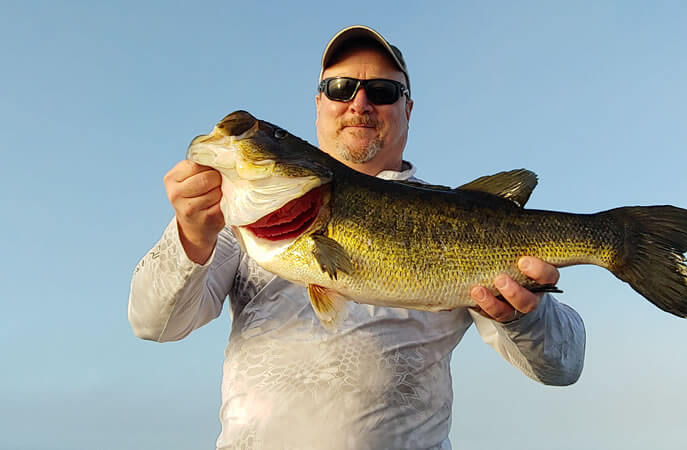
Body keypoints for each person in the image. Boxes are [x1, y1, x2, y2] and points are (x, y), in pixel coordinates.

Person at [129, 25, 586, 450]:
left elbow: (564, 366)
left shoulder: (455, 221)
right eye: (340, 88)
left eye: (382, 92)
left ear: (407, 109)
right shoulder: (234, 220)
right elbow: (154, 323)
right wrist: (190, 235)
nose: (359, 104)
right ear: (318, 105)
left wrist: (524, 315)